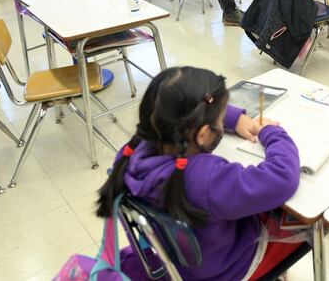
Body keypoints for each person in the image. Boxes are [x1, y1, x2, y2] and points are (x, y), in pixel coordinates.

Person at [96, 66, 302, 281]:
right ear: (203, 135)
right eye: (221, 120)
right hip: (227, 268)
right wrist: (272, 133)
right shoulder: (205, 180)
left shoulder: (129, 153)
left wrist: (235, 119)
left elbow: (185, 109)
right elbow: (282, 178)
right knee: (303, 220)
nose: (223, 122)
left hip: (178, 261)